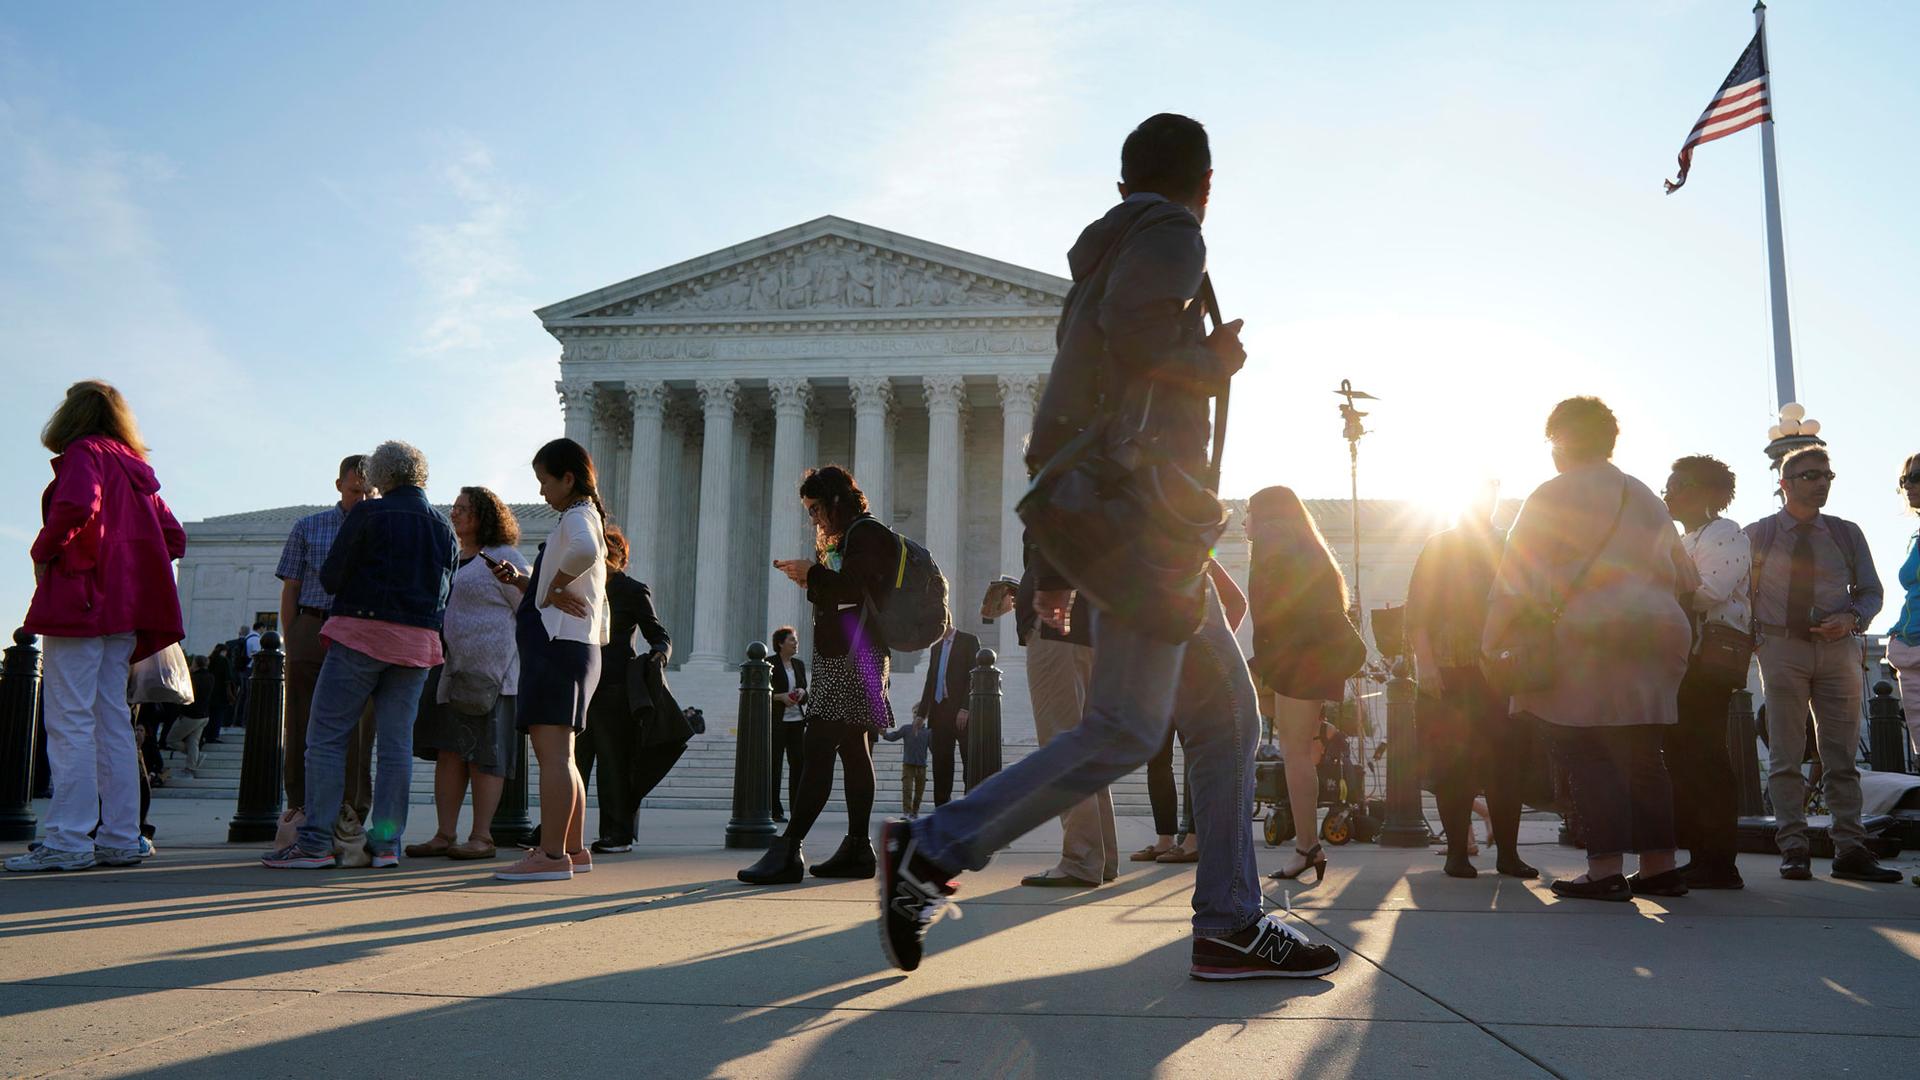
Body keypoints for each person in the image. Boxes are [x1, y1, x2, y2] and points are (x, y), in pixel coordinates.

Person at [876, 114, 1340, 981]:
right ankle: (932, 848)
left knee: (1228, 719)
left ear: (1122, 182)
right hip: (1147, 524)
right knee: (1126, 725)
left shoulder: (1100, 262)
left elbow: (1076, 412)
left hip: (1132, 520)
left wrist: (1056, 560)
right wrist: (1214, 358)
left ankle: (1230, 921)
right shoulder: (1171, 234)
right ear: (1206, 182)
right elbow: (1140, 339)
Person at [1483, 398, 1697, 902]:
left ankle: (1604, 872)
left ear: (1559, 441)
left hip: (1589, 636)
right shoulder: (1643, 494)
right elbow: (1687, 576)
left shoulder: (1551, 495)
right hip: (1659, 631)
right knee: (1646, 753)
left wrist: (1490, 642)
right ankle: (1660, 867)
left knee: (1588, 752)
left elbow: (1515, 580)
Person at [9, 381, 185, 873]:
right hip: (126, 611)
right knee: (111, 719)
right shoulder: (137, 468)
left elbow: (76, 506)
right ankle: (121, 836)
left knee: (69, 719)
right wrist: (130, 565)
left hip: (80, 600)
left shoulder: (85, 452)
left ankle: (67, 838)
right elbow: (174, 536)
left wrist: (43, 552)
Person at [261, 440, 456, 871]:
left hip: (360, 635)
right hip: (416, 644)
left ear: (380, 478)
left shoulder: (368, 514)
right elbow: (446, 589)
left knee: (327, 738)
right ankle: (386, 845)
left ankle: (315, 844)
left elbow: (331, 578)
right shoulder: (444, 527)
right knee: (394, 747)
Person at [1746, 445, 1897, 883]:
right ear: (1785, 484)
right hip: (1781, 649)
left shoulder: (1846, 533)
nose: (1822, 482)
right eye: (1811, 475)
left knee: (1841, 756)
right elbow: (1741, 592)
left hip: (1837, 652)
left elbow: (1871, 591)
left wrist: (1852, 618)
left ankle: (1851, 848)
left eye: (1827, 475)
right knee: (1785, 754)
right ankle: (1792, 847)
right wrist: (1758, 641)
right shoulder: (1759, 534)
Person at [739, 466, 892, 884]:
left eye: (816, 509)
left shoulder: (867, 534)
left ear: (836, 501)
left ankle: (789, 848)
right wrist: (811, 577)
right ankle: (858, 848)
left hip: (852, 657)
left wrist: (814, 573)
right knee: (855, 750)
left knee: (818, 744)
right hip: (847, 655)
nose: (814, 519)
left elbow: (857, 589)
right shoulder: (851, 537)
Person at [1248, 486, 1387, 884]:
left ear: (1265, 514)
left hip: (1296, 660)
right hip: (1310, 660)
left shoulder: (1272, 540)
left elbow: (1273, 608)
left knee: (1294, 755)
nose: (1245, 522)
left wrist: (1267, 662)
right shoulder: (1308, 546)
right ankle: (1307, 845)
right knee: (1299, 750)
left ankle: (1307, 847)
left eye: (1249, 514)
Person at [489, 438, 609, 882]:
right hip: (574, 648)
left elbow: (584, 552)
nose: (541, 492)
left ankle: (551, 855)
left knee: (553, 756)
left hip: (556, 649)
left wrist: (554, 584)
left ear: (568, 478)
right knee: (566, 756)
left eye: (544, 480)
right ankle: (573, 850)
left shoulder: (577, 517)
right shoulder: (586, 516)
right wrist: (531, 582)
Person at [1405, 480, 1538, 881]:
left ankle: (1508, 854)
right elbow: (1417, 611)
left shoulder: (1509, 545)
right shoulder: (1439, 545)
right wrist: (1425, 663)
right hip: (1449, 671)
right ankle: (1457, 854)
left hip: (1499, 671)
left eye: (1491, 492)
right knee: (1452, 765)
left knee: (1506, 765)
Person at [407, 487, 528, 861]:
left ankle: (482, 836)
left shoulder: (504, 557)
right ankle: (445, 833)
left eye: (464, 508)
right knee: (450, 753)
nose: (455, 513)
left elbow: (527, 609)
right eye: (454, 508)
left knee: (484, 756)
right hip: (451, 671)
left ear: (485, 515)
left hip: (492, 675)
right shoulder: (455, 557)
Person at [275, 455, 377, 840]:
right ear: (339, 486)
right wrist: (293, 637)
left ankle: (350, 812)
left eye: (370, 493)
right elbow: (291, 587)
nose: (362, 500)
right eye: (355, 492)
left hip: (361, 634)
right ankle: (300, 805)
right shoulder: (309, 527)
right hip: (313, 624)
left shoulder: (382, 529)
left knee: (359, 727)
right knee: (301, 721)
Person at [1662, 455, 1751, 890]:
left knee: (1706, 759)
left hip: (1706, 663)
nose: (1669, 493)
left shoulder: (1725, 533)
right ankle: (1699, 855)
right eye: (1668, 486)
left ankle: (1719, 862)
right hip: (1679, 662)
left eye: (1679, 486)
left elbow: (1709, 591)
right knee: (1682, 758)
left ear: (1708, 494)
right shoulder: (1680, 539)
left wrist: (1657, 585)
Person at [999, 565, 1116, 889]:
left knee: (1061, 747)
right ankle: (1100, 856)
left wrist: (1046, 588)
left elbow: (1052, 527)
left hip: (1056, 627)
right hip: (1088, 627)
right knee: (1085, 749)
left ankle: (1081, 859)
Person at [577, 525, 673, 854]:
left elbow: (658, 634)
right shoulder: (579, 585)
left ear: (619, 558)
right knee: (571, 760)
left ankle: (617, 834)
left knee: (612, 762)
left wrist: (658, 657)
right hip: (579, 680)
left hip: (614, 684)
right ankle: (557, 828)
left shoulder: (632, 590)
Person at [915, 624, 979, 808]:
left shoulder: (969, 641)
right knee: (941, 764)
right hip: (939, 711)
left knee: (969, 760)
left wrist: (966, 708)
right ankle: (942, 807)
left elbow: (974, 676)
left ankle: (970, 804)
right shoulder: (935, 648)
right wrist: (921, 714)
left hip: (961, 711)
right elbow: (931, 682)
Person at [1888, 452, 1920, 757]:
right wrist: (1897, 632)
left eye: (1917, 476)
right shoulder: (1916, 537)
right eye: (1904, 479)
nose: (1908, 485)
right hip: (1910, 650)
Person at [768, 626, 808, 823]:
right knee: (775, 766)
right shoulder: (769, 664)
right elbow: (761, 693)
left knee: (799, 766)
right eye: (792, 640)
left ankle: (797, 810)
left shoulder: (799, 665)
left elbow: (806, 691)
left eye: (796, 639)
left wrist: (801, 693)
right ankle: (775, 810)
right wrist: (780, 697)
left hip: (797, 722)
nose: (795, 643)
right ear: (780, 643)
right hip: (777, 723)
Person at [165, 654, 213, 778]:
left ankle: (195, 757)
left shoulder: (192, 678)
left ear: (195, 664)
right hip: (204, 715)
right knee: (193, 741)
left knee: (171, 740)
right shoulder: (210, 677)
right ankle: (191, 766)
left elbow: (185, 696)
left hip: (191, 715)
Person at [883, 715, 931, 817]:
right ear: (913, 715)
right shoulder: (906, 728)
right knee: (907, 790)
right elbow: (894, 736)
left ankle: (915, 812)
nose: (917, 716)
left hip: (922, 766)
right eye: (915, 713)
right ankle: (907, 813)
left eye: (920, 714)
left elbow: (933, 748)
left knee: (919, 793)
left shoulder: (928, 732)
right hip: (908, 765)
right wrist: (884, 733)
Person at [205, 643, 233, 743]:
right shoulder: (224, 661)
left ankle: (206, 734)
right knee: (218, 715)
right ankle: (213, 735)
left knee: (209, 714)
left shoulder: (209, 659)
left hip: (209, 691)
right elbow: (228, 677)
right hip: (221, 692)